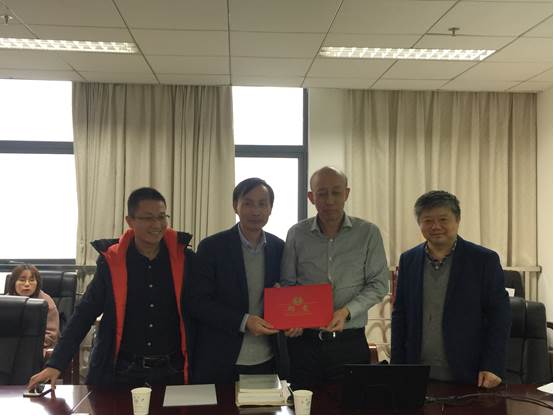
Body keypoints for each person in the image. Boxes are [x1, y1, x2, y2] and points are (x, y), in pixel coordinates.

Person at [28, 187, 195, 389]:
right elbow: (84, 313)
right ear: (130, 221)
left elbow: (201, 310)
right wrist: (56, 363)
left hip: (174, 370)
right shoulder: (112, 261)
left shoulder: (185, 259)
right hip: (123, 370)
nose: (157, 225)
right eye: (148, 218)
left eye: (162, 217)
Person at [281, 166, 389, 388]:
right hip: (305, 344)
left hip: (349, 342)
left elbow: (378, 284)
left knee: (350, 403)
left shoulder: (368, 233)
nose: (329, 200)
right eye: (322, 193)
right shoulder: (296, 233)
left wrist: (346, 312)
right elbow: (288, 283)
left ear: (346, 194)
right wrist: (292, 318)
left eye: (336, 192)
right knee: (303, 403)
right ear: (311, 197)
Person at [391, 190, 511, 388]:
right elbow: (400, 315)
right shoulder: (408, 260)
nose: (436, 226)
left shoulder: (483, 260)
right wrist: (396, 365)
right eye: (428, 220)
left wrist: (493, 365)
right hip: (417, 373)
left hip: (470, 373)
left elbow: (499, 315)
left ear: (458, 219)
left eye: (443, 219)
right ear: (419, 223)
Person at [188, 178, 292, 384]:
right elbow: (198, 303)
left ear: (270, 208)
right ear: (235, 205)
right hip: (220, 358)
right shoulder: (212, 247)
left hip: (267, 358)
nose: (256, 211)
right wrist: (244, 321)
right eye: (248, 203)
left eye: (262, 204)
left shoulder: (279, 247)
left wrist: (292, 320)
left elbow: (286, 292)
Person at [7, 264, 60, 350]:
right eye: (22, 280)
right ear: (13, 283)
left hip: (38, 348)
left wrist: (25, 346)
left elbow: (51, 336)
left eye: (32, 280)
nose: (27, 284)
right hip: (8, 347)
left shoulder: (46, 302)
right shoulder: (5, 302)